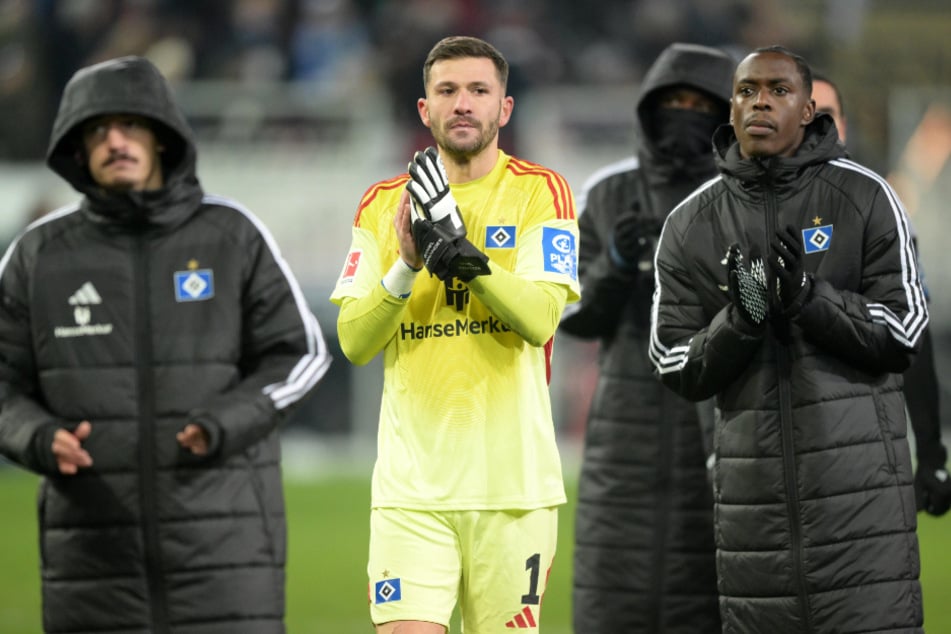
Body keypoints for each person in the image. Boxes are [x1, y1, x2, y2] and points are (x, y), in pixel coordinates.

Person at [0, 56, 332, 633]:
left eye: (131, 124)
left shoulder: (231, 236)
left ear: (162, 137)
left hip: (226, 556)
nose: (115, 141)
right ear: (78, 150)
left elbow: (301, 354)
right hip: (92, 569)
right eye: (97, 131)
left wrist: (225, 422)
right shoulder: (38, 256)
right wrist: (37, 436)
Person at [649, 46, 929, 631]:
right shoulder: (689, 224)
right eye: (747, 90)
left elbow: (902, 333)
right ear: (731, 106)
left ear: (808, 109)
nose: (760, 102)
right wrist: (742, 321)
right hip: (755, 524)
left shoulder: (867, 197)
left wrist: (809, 298)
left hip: (861, 517)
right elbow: (675, 363)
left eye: (778, 90)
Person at [330, 35, 580, 633]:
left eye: (478, 90)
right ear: (425, 109)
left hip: (513, 493)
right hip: (411, 493)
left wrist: (465, 256)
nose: (462, 103)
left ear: (505, 108)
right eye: (447, 90)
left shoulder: (541, 191)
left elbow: (541, 319)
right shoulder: (382, 205)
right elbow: (354, 342)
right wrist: (408, 262)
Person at [558, 42, 733, 633]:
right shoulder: (608, 193)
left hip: (717, 426)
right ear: (648, 109)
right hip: (622, 442)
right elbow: (570, 316)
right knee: (614, 601)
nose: (684, 114)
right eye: (673, 102)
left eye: (699, 104)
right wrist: (613, 266)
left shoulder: (741, 196)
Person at [812, 73, 951, 517]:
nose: (815, 127)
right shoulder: (739, 209)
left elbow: (915, 334)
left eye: (827, 116)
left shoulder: (877, 209)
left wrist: (930, 452)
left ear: (846, 125)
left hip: (868, 446)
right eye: (805, 114)